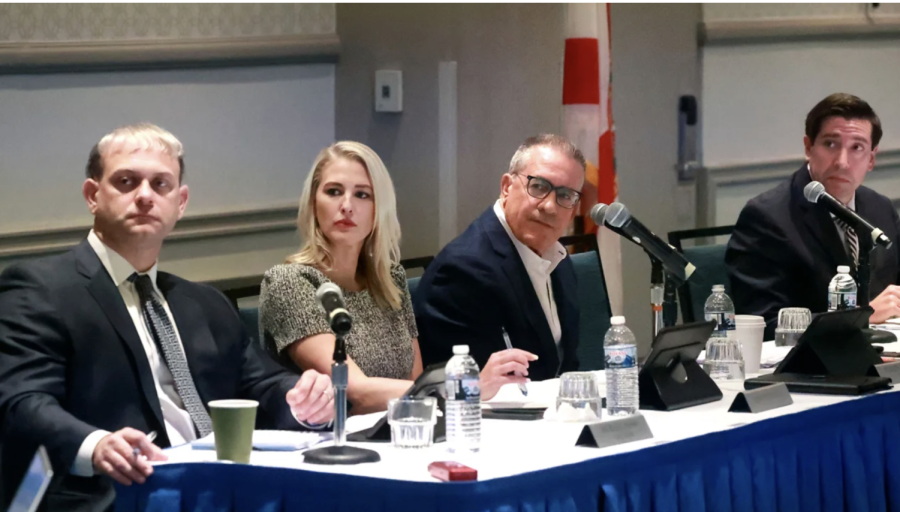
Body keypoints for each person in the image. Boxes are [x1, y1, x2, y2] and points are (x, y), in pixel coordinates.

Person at [0, 123, 334, 511]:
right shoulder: (39, 289)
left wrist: (304, 400)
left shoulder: (204, 303)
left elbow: (262, 385)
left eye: (161, 185)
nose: (144, 196)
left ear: (180, 202)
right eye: (126, 181)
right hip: (116, 494)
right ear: (93, 195)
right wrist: (96, 444)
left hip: (220, 488)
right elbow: (22, 403)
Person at [415, 134, 585, 400]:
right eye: (539, 186)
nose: (550, 206)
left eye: (565, 195)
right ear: (507, 187)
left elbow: (565, 365)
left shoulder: (558, 261)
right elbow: (472, 392)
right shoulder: (462, 271)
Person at [259, 142, 421, 415]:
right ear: (314, 202)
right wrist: (456, 389)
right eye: (334, 192)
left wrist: (432, 393)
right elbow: (355, 391)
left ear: (378, 208)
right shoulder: (289, 283)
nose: (346, 205)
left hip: (397, 432)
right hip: (327, 441)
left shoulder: (391, 279)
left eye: (362, 195)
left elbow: (414, 381)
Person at [727, 93, 900, 338]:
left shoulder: (879, 208)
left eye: (857, 148)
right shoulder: (766, 217)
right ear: (809, 147)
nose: (842, 162)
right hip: (805, 368)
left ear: (871, 159)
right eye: (830, 144)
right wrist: (863, 315)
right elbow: (764, 322)